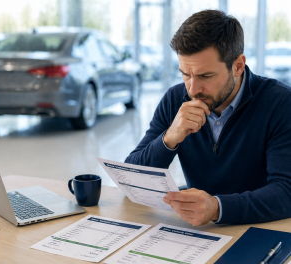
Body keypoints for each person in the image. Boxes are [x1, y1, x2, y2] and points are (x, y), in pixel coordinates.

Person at [125, 9, 291, 226]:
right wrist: (169, 138)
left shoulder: (280, 103)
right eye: (185, 74)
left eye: (205, 75)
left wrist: (218, 207)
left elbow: (286, 191)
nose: (193, 89)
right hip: (199, 231)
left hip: (260, 228)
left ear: (238, 66)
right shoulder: (175, 99)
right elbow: (130, 178)